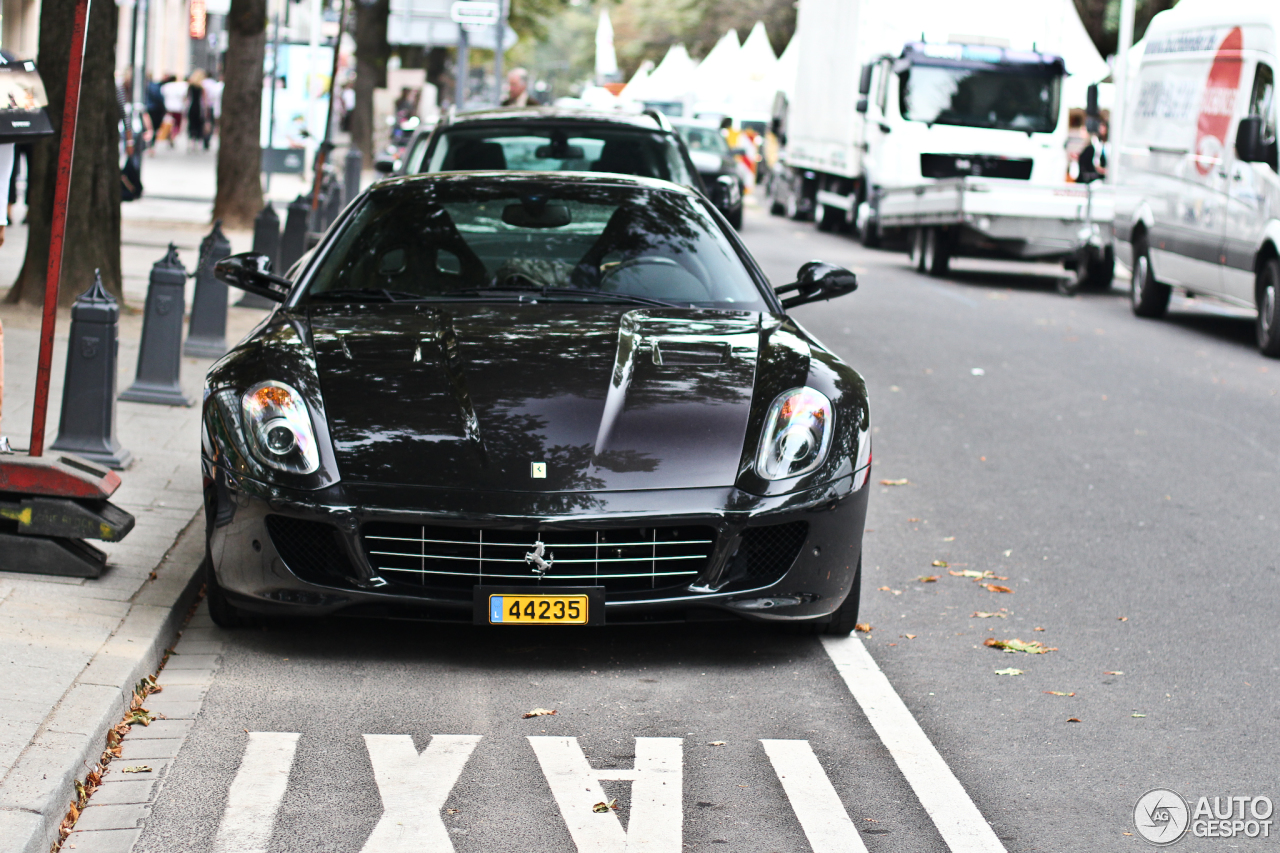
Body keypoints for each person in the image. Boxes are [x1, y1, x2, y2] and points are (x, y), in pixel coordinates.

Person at [1078, 119, 1108, 184]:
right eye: (1100, 127)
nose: (1102, 129)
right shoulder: (1095, 142)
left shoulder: (1109, 145)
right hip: (1095, 176)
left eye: (1104, 127)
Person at [160, 74, 186, 146]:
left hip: (168, 107)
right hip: (178, 108)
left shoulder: (165, 86)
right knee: (177, 124)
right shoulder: (180, 86)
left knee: (168, 123)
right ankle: (173, 136)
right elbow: (183, 97)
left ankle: (169, 135)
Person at [186, 70, 206, 152]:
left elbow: (187, 98)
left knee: (191, 125)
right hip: (199, 108)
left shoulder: (190, 86)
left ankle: (191, 142)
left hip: (192, 107)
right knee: (199, 125)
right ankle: (198, 143)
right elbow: (204, 100)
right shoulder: (201, 87)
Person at [201, 73, 223, 148]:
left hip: (213, 108)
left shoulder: (215, 86)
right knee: (216, 125)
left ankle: (207, 138)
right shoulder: (215, 84)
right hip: (215, 108)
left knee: (211, 124)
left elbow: (210, 97)